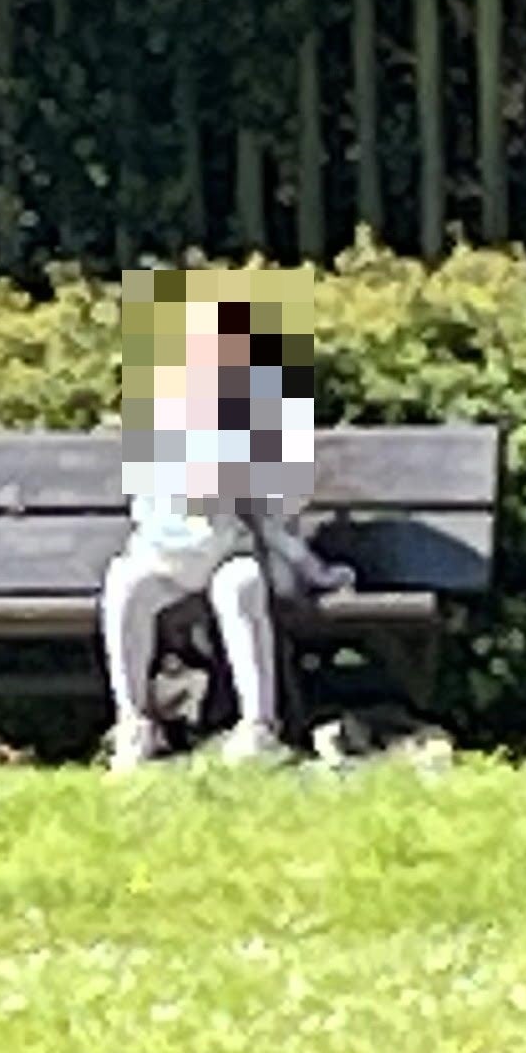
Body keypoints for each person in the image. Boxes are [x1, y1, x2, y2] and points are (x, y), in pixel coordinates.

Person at [99, 283, 349, 770]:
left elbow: (276, 514)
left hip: (233, 553)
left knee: (241, 585)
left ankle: (259, 725)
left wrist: (310, 566)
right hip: (164, 557)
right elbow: (146, 509)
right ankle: (133, 723)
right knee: (125, 586)